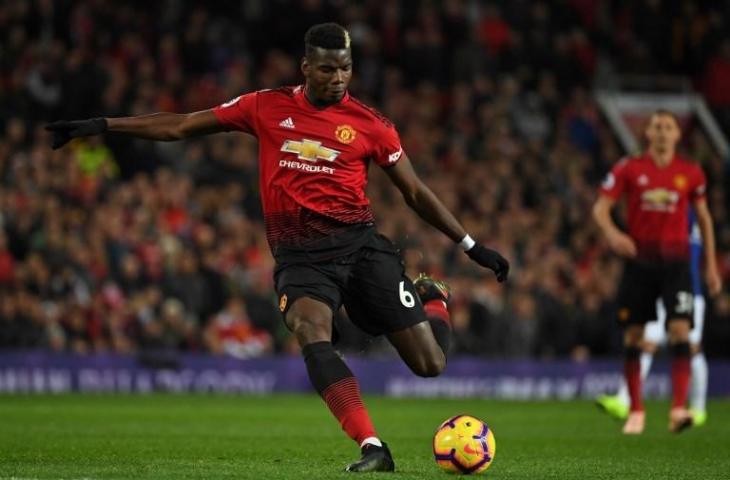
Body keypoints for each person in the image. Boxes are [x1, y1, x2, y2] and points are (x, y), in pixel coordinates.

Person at [46, 23, 509, 472]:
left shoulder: (371, 125)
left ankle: (434, 299)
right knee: (310, 329)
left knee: (430, 365)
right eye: (328, 69)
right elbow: (182, 125)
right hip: (301, 259)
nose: (338, 78)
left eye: (345, 68)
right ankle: (373, 446)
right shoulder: (265, 107)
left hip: (363, 250)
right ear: (306, 67)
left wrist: (471, 245)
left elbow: (414, 192)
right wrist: (103, 124)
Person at [593, 110, 721, 435]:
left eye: (668, 127)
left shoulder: (690, 173)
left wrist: (710, 264)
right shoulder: (630, 168)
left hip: (677, 264)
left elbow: (704, 219)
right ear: (647, 133)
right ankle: (636, 410)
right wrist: (613, 234)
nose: (662, 132)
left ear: (678, 135)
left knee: (681, 332)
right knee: (634, 336)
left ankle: (678, 409)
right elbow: (600, 209)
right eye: (657, 127)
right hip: (640, 262)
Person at [596, 208, 709, 426]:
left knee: (692, 348)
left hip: (688, 290)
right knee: (645, 342)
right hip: (660, 288)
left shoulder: (687, 216)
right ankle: (624, 399)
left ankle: (698, 408)